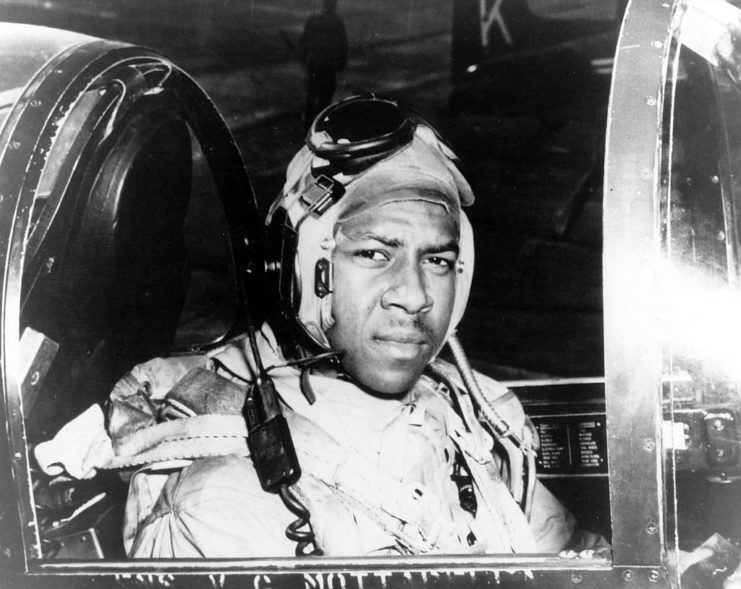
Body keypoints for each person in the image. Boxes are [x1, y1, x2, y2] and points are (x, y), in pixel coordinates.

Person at [35, 96, 604, 558]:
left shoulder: (465, 417)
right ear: (304, 272)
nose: (414, 296)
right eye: (375, 254)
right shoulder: (221, 502)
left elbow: (573, 552)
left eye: (437, 260)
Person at [299, 0, 348, 130]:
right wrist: (342, 60)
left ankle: (308, 124)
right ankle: (318, 124)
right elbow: (343, 43)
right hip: (327, 62)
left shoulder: (314, 19)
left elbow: (304, 41)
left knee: (312, 94)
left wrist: (303, 58)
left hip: (315, 61)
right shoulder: (336, 21)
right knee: (325, 95)